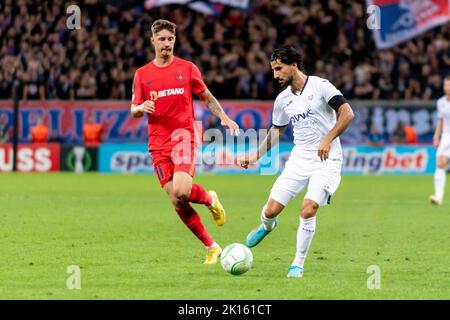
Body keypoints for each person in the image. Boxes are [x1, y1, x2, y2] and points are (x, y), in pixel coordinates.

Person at [130, 19, 240, 264]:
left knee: (181, 190)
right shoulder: (142, 75)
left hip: (184, 137)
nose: (166, 44)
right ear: (153, 41)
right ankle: (212, 247)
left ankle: (210, 199)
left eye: (170, 39)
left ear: (174, 40)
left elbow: (206, 96)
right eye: (162, 39)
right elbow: (134, 109)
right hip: (158, 144)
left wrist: (224, 117)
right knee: (176, 199)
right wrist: (141, 107)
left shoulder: (187, 68)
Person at [239, 45, 354, 278]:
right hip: (299, 158)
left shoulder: (320, 86)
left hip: (327, 158)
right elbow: (277, 131)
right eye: (273, 70)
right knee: (271, 211)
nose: (275, 75)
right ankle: (266, 227)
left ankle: (297, 264)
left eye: (279, 68)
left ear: (294, 65)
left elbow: (347, 113)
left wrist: (328, 138)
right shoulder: (283, 100)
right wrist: (256, 155)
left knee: (308, 208)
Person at [430, 75, 450, 205]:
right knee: (440, 163)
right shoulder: (441, 102)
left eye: (449, 85)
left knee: (442, 163)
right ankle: (438, 196)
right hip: (446, 136)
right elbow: (441, 120)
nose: (447, 88)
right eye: (446, 85)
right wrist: (436, 136)